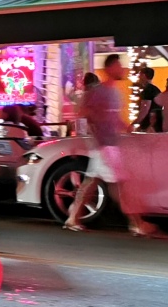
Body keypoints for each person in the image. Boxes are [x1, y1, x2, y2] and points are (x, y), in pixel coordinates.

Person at [66, 55, 158, 236]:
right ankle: (136, 224)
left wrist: (127, 128)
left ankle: (73, 218)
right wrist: (100, 130)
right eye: (118, 65)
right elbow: (85, 112)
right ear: (109, 68)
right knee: (120, 183)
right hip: (105, 145)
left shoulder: (113, 91)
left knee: (94, 181)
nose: (121, 68)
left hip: (108, 143)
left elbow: (113, 117)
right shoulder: (100, 91)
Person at [134, 67, 163, 132]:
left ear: (144, 75)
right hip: (156, 124)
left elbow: (145, 108)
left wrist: (136, 122)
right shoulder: (156, 89)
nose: (138, 77)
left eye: (140, 75)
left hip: (148, 124)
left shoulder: (147, 90)